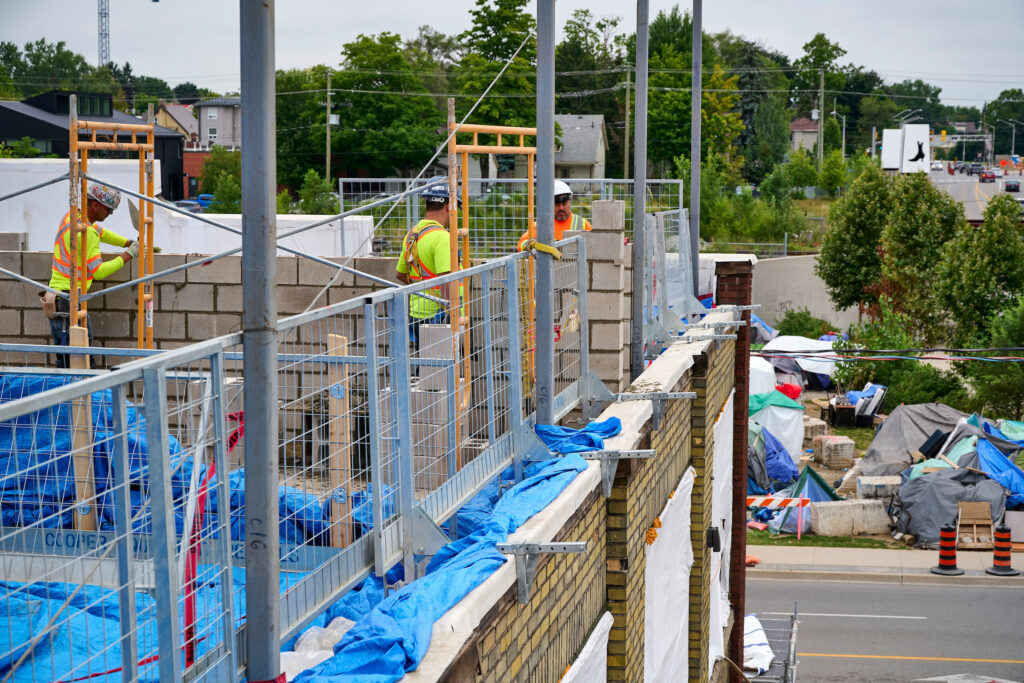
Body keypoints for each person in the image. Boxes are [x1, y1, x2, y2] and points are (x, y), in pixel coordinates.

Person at [46, 182, 137, 367]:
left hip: (56, 295)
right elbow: (99, 271)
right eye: (108, 209)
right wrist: (129, 255)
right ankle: (79, 393)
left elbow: (101, 233)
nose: (110, 214)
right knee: (79, 356)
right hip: (68, 299)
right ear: (95, 205)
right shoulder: (87, 234)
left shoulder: (71, 217)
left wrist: (127, 243)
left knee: (68, 354)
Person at [395, 179, 458, 348]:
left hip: (416, 313)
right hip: (438, 315)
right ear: (448, 207)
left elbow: (400, 274)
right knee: (441, 369)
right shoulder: (443, 237)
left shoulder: (412, 234)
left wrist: (422, 288)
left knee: (424, 367)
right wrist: (455, 314)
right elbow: (445, 281)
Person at [516, 179, 592, 251]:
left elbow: (594, 247)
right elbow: (520, 245)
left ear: (569, 203)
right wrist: (532, 245)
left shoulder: (583, 224)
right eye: (557, 205)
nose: (561, 208)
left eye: (564, 204)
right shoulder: (541, 225)